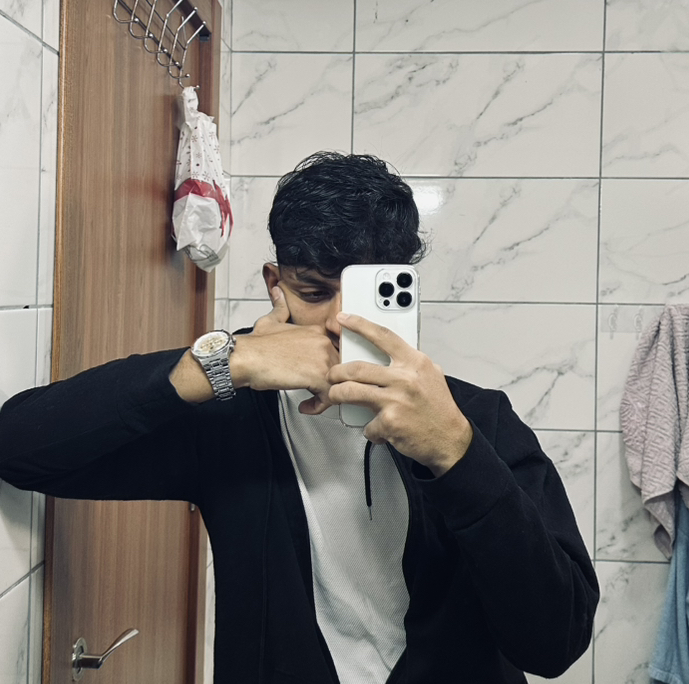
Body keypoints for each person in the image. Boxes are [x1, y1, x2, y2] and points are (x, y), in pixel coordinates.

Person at [0, 152, 598, 684]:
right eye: (314, 292)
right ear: (275, 285)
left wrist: (457, 455)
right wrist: (220, 362)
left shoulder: (477, 420)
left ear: (404, 291)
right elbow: (19, 448)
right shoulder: (231, 418)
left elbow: (555, 643)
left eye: (364, 297)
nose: (339, 322)